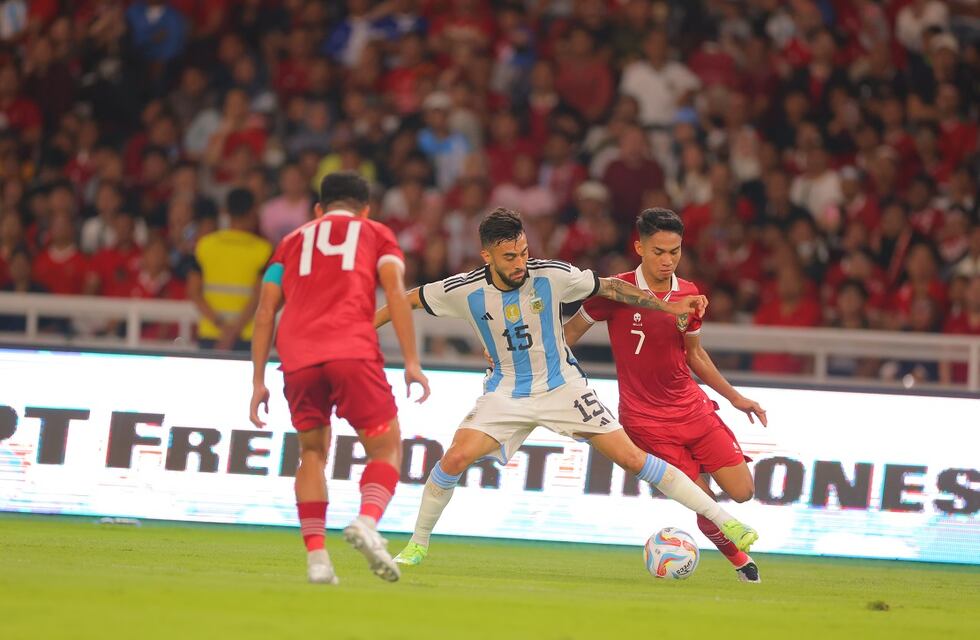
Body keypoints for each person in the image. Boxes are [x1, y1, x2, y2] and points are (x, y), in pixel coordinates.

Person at [374, 208, 758, 567]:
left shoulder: (551, 274)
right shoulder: (464, 290)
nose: (520, 263)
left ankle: (726, 520)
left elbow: (611, 288)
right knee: (455, 458)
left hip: (564, 389)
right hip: (506, 393)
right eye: (510, 257)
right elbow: (406, 300)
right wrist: (361, 328)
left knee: (632, 458)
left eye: (524, 252)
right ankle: (417, 544)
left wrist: (664, 306)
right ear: (487, 256)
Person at [564, 208, 767, 583]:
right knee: (705, 502)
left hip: (693, 410)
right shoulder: (616, 290)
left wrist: (735, 397)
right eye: (658, 251)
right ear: (639, 247)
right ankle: (741, 562)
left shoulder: (689, 293)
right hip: (647, 422)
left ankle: (698, 476)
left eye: (675, 251)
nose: (667, 260)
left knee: (743, 492)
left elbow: (695, 355)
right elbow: (569, 334)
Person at [249, 172, 430, 585]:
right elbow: (395, 293)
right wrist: (411, 361)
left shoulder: (290, 242)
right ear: (365, 210)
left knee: (311, 453)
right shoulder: (376, 234)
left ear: (318, 209)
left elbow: (265, 310)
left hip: (297, 357)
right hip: (351, 350)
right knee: (386, 448)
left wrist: (258, 380)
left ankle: (317, 559)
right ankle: (367, 521)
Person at [188, 188, 271, 351]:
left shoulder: (204, 245)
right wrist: (233, 331)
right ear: (253, 212)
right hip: (247, 335)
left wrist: (221, 326)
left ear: (226, 211)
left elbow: (193, 292)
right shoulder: (264, 250)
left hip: (211, 332)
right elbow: (260, 296)